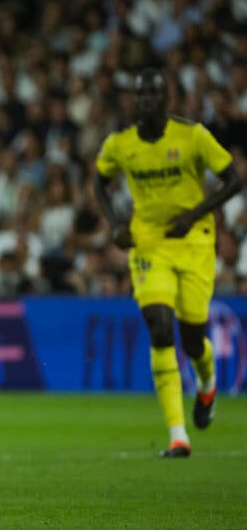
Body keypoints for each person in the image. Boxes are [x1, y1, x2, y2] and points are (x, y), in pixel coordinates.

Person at [94, 68, 243, 458]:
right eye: (139, 95)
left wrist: (194, 214)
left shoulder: (192, 136)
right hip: (149, 245)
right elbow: (99, 180)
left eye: (153, 95)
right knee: (160, 327)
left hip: (194, 242)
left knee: (193, 340)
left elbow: (234, 179)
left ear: (166, 101)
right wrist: (114, 225)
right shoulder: (121, 144)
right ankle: (178, 435)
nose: (145, 102)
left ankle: (207, 384)